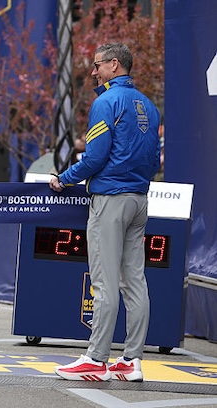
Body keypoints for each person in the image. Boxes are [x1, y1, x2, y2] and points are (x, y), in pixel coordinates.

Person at [49, 43, 161, 382]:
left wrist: (64, 180)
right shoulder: (149, 105)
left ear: (114, 65)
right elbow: (153, 160)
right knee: (135, 282)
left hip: (111, 200)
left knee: (104, 282)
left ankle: (96, 360)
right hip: (140, 199)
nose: (93, 72)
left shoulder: (105, 102)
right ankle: (130, 362)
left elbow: (95, 159)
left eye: (97, 66)